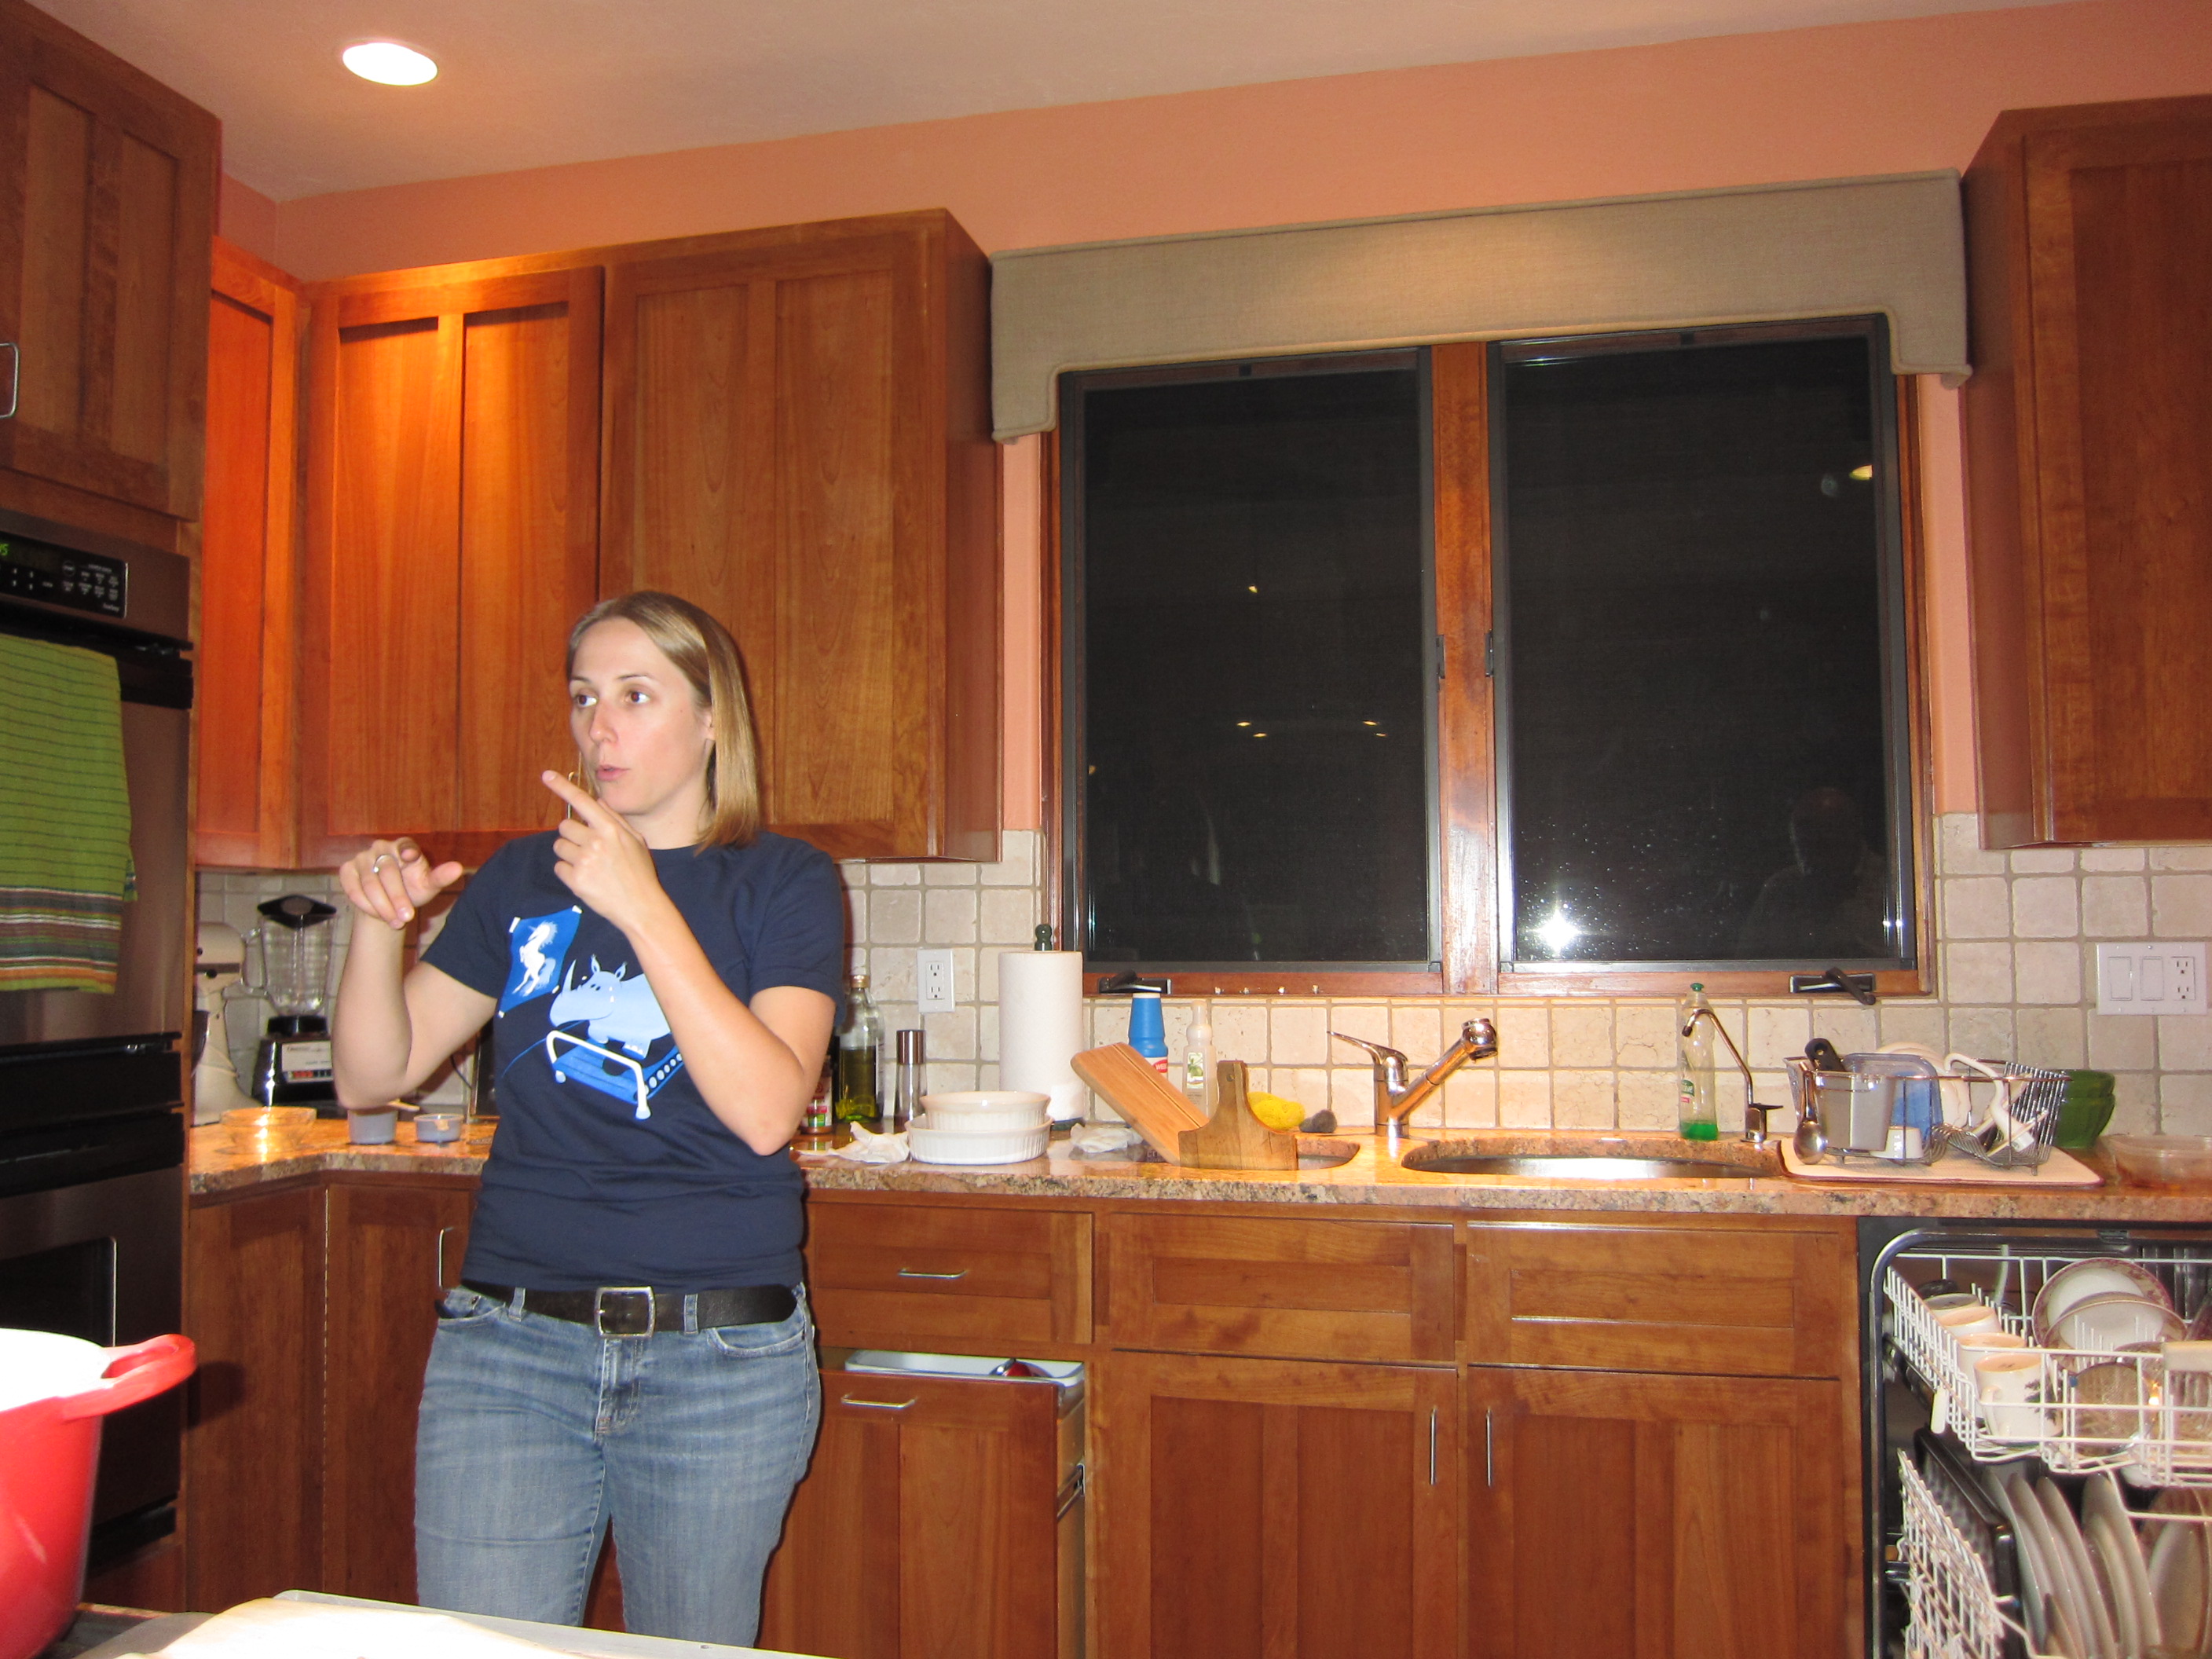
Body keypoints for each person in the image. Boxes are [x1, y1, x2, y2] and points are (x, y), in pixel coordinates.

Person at [330, 591, 844, 1643]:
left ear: (713, 719)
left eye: (635, 696)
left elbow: (764, 1110)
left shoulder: (785, 880)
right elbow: (372, 1075)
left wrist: (641, 900)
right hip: (509, 1348)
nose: (598, 726)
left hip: (719, 1358)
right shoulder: (523, 877)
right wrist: (379, 928)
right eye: (582, 697)